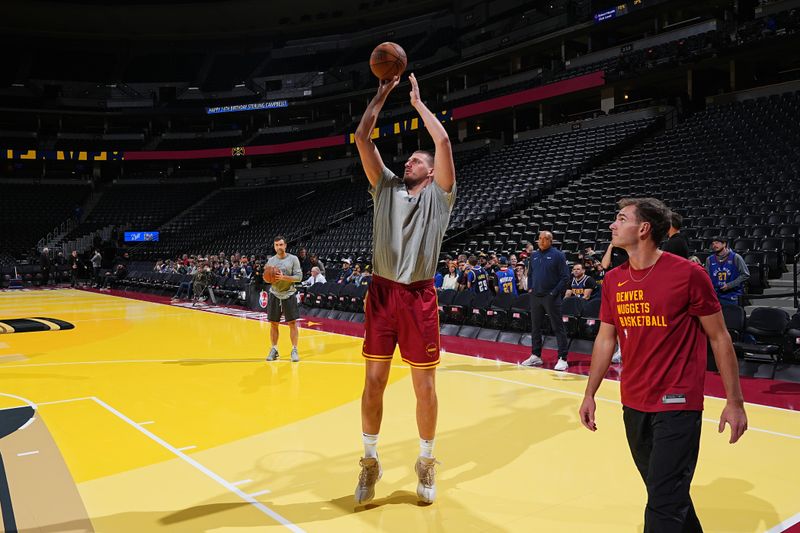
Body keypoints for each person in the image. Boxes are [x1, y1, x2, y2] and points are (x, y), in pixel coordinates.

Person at [579, 198, 747, 533]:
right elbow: (605, 339)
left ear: (643, 229)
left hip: (678, 403)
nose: (613, 225)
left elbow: (719, 337)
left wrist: (735, 402)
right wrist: (589, 394)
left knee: (662, 506)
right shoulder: (614, 280)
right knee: (667, 495)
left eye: (620, 218)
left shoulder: (688, 274)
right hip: (634, 402)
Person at [353, 72, 456, 505]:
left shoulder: (440, 196)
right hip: (381, 293)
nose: (410, 163)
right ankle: (370, 462)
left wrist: (417, 105)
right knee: (373, 380)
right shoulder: (386, 187)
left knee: (424, 387)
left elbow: (445, 143)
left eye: (418, 160)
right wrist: (381, 94)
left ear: (431, 173)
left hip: (418, 295)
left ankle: (427, 460)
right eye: (410, 159)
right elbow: (361, 137)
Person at [521, 231, 571, 371]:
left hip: (551, 297)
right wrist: (530, 288)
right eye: (540, 239)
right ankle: (536, 355)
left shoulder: (558, 255)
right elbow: (530, 274)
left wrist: (554, 292)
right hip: (535, 296)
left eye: (545, 239)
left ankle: (563, 358)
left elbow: (565, 277)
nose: (542, 241)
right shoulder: (534, 255)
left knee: (557, 327)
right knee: (535, 327)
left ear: (551, 241)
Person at [265, 235, 303, 363]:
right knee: (274, 323)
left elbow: (299, 277)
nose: (279, 247)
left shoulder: (293, 259)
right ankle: (274, 349)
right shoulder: (270, 261)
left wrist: (283, 277)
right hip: (274, 294)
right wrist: (267, 277)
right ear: (274, 246)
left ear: (285, 245)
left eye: (281, 245)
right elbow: (266, 277)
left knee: (292, 323)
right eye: (276, 245)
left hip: (289, 294)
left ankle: (294, 349)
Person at [705, 237, 750, 305]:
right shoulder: (709, 259)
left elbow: (745, 275)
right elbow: (707, 277)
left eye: (717, 243)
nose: (714, 245)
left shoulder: (736, 257)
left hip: (733, 294)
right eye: (713, 244)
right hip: (715, 295)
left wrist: (729, 285)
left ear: (724, 244)